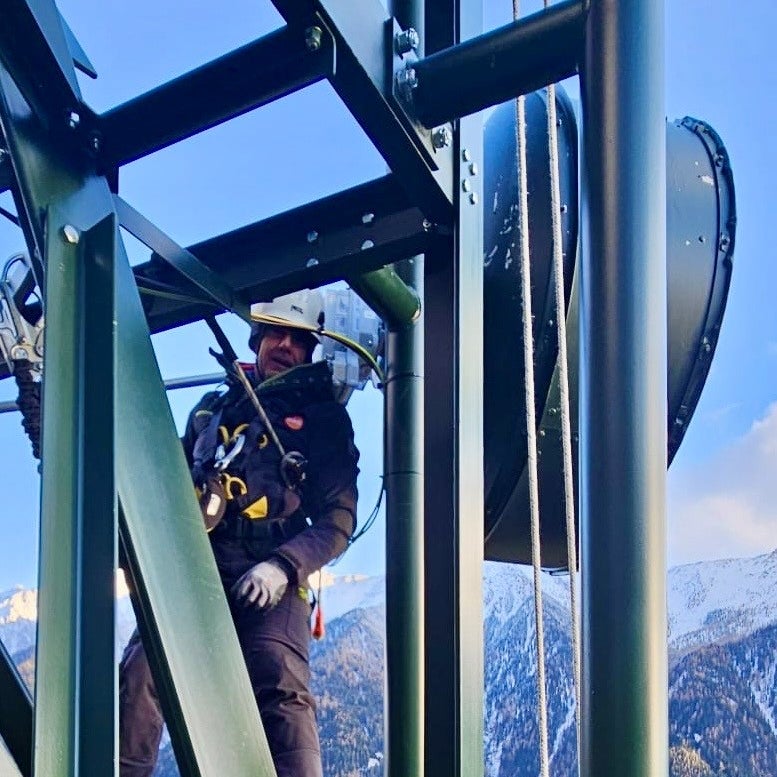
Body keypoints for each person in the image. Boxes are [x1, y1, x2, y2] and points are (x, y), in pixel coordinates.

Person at [119, 289, 360, 777]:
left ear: (311, 351)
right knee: (145, 671)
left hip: (270, 569)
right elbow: (167, 488)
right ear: (258, 337)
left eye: (298, 339)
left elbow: (338, 519)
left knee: (279, 679)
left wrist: (282, 567)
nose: (285, 346)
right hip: (197, 565)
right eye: (276, 332)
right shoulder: (212, 412)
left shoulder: (322, 419)